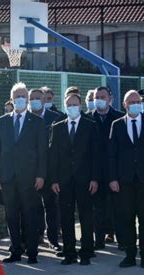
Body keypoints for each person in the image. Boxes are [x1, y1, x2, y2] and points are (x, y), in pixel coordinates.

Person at [0, 82, 47, 264]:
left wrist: (41, 175)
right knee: (11, 215)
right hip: (7, 177)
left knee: (30, 215)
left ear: (28, 99)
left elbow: (42, 151)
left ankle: (32, 252)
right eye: (17, 96)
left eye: (23, 96)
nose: (20, 99)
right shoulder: (3, 121)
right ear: (12, 99)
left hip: (29, 177)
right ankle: (15, 250)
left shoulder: (37, 122)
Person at [109, 90, 144, 268]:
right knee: (127, 217)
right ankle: (130, 255)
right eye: (131, 102)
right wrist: (113, 178)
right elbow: (112, 155)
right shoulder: (116, 125)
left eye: (137, 101)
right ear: (124, 105)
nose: (135, 104)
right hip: (124, 180)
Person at [49, 93, 100, 265]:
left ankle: (86, 251)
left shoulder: (90, 126)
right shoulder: (57, 127)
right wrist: (54, 180)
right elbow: (53, 156)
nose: (72, 107)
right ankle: (69, 251)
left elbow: (96, 154)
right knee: (66, 217)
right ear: (65, 106)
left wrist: (94, 178)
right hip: (64, 181)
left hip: (85, 180)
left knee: (86, 215)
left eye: (75, 104)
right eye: (69, 105)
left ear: (80, 105)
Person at [91, 86, 124, 248]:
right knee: (98, 207)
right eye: (97, 97)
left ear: (110, 99)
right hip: (96, 170)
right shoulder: (88, 118)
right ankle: (99, 240)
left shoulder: (119, 117)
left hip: (116, 170)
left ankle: (122, 239)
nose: (99, 100)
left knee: (118, 206)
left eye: (103, 97)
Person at [29, 88, 61, 251]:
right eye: (32, 98)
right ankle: (35, 237)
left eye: (38, 98)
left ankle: (53, 239)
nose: (35, 101)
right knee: (33, 207)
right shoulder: (24, 118)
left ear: (44, 101)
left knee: (51, 206)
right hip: (30, 171)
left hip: (49, 170)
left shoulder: (54, 118)